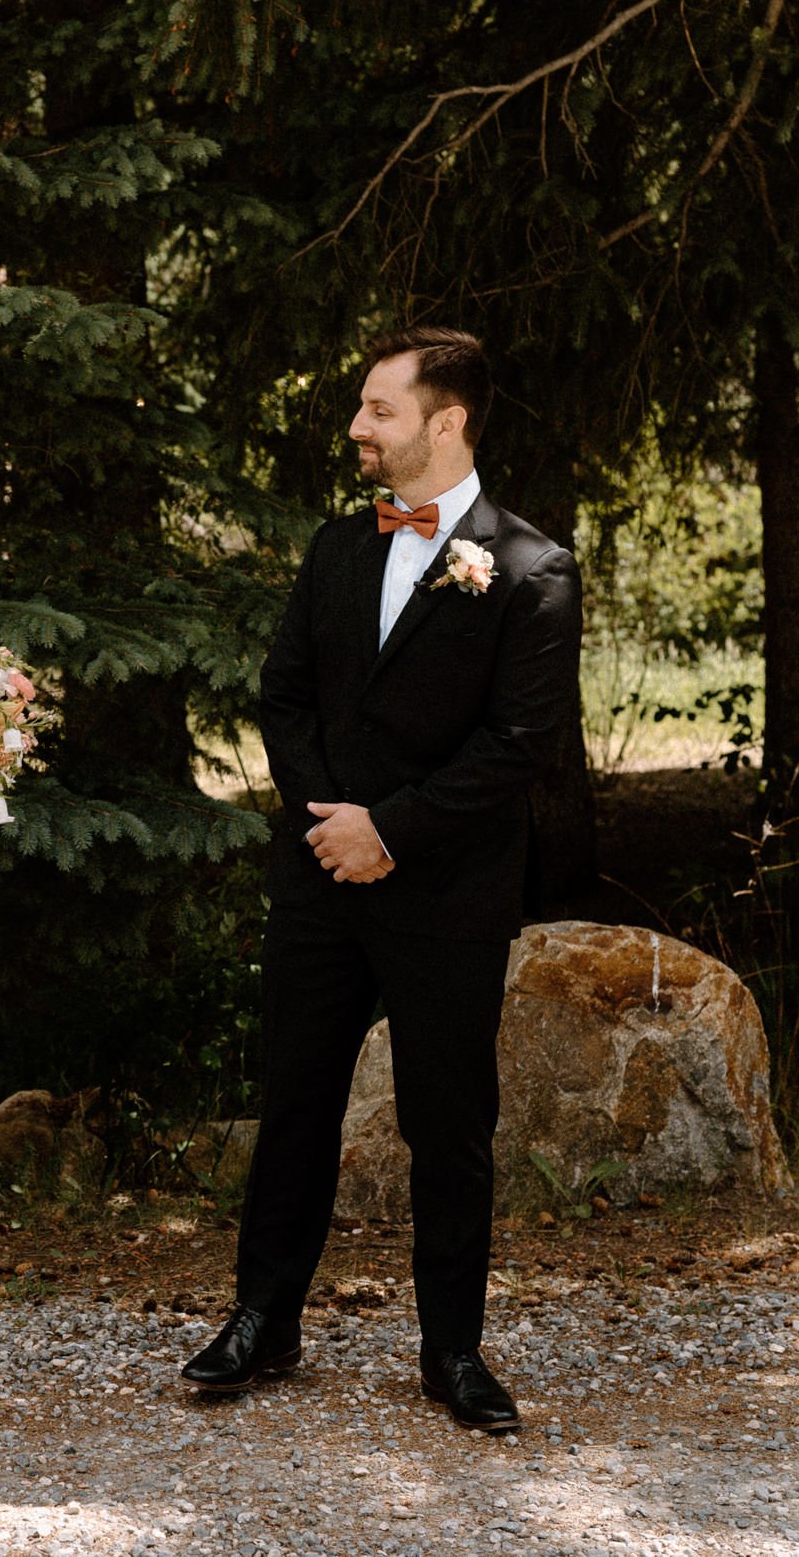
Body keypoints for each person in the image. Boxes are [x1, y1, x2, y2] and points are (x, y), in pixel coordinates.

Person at [180, 327, 581, 1433]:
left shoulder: (533, 569)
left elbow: (519, 744)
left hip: (445, 889)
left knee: (447, 1121)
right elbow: (284, 694)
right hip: (321, 877)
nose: (357, 427)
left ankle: (452, 1348)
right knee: (293, 1103)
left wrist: (389, 830)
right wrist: (329, 826)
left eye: (377, 409)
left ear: (444, 422)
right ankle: (264, 1320)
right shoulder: (336, 547)